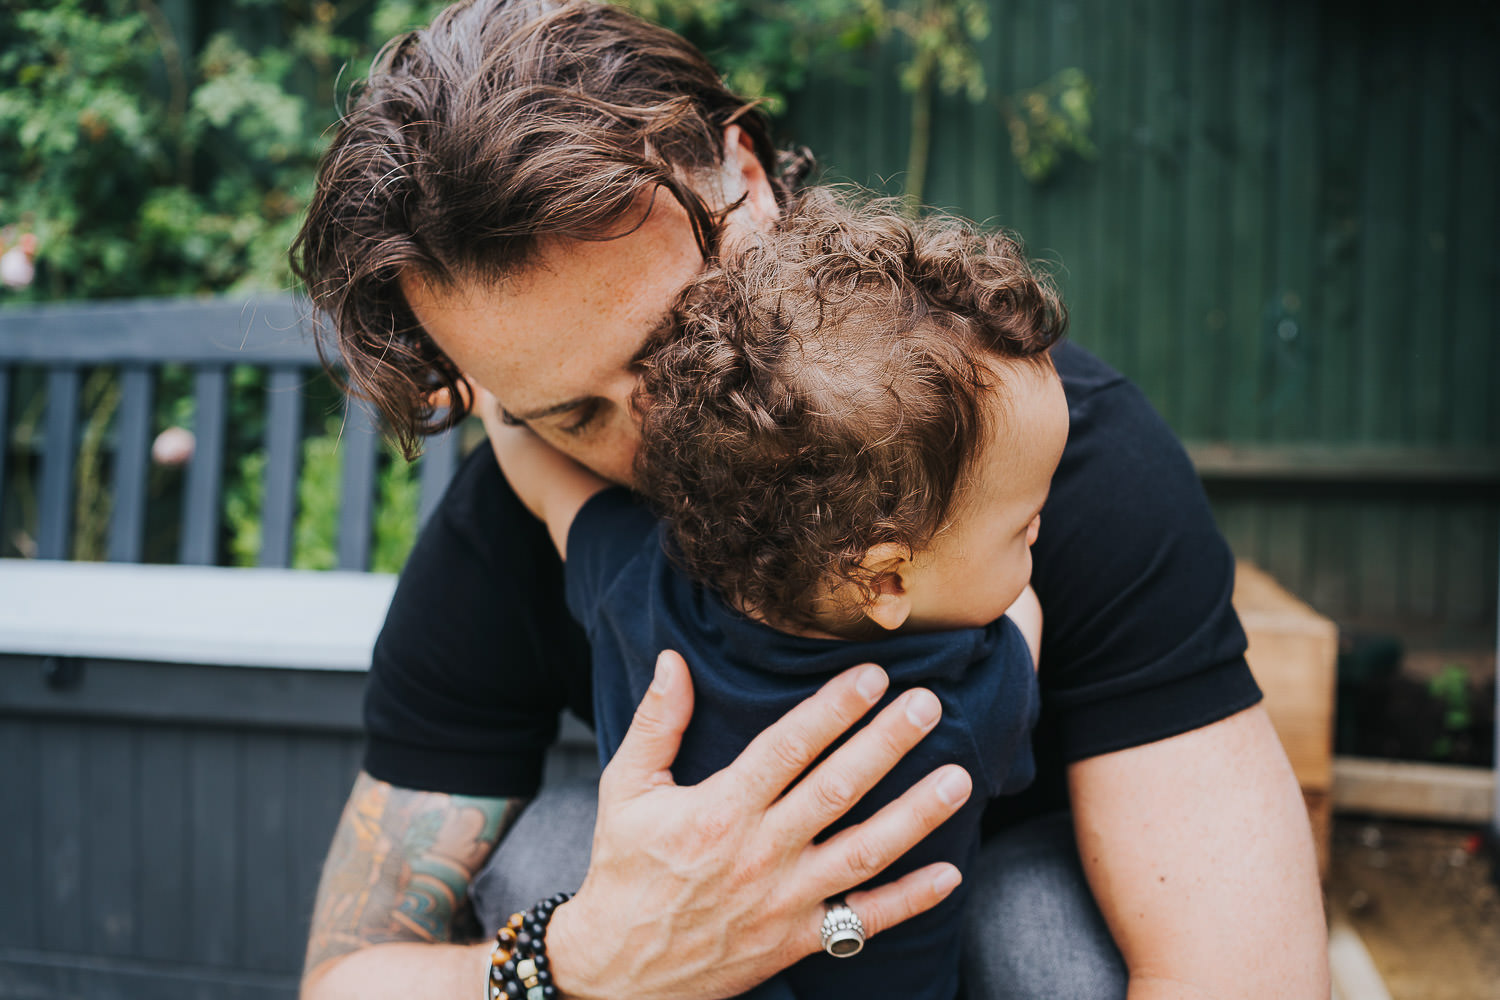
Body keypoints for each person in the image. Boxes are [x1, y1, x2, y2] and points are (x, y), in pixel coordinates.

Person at [291, 1, 1330, 998]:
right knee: (551, 862)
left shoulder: (1053, 462)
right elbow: (346, 978)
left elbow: (1240, 976)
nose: (658, 436)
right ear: (496, 405)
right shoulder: (505, 530)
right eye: (571, 417)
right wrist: (577, 959)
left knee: (1040, 929)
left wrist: (826, 929)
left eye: (676, 344)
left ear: (748, 179)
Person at [487, 192, 1063, 999]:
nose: (1040, 531)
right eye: (1022, 526)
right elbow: (1023, 631)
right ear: (886, 580)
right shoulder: (961, 697)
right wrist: (1017, 611)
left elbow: (544, 482)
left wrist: (493, 392)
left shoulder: (635, 582)